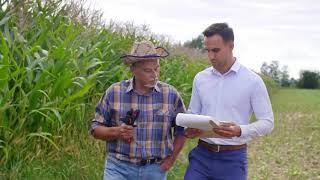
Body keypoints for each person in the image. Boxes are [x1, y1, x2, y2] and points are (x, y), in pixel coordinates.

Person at [183, 23, 274, 180]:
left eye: (216, 50)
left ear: (231, 46)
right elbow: (193, 113)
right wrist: (190, 127)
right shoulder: (200, 78)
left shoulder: (253, 81)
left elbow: (267, 122)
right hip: (201, 156)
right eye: (208, 51)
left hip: (233, 159)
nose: (211, 56)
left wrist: (240, 131)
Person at [90, 40, 186, 180]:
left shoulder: (170, 94)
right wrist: (117, 131)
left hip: (155, 170)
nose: (155, 74)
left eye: (157, 68)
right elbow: (95, 129)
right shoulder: (114, 92)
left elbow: (182, 130)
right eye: (148, 70)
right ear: (133, 69)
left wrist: (171, 159)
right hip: (118, 167)